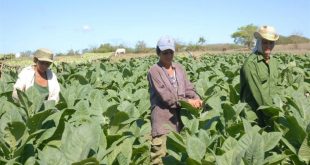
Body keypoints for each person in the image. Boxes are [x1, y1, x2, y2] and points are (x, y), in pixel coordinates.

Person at [147, 36, 202, 164]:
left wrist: (196, 99)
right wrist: (188, 102)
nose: (168, 55)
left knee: (179, 157)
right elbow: (167, 97)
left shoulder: (179, 68)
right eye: (165, 52)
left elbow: (188, 88)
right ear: (158, 53)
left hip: (181, 121)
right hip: (163, 122)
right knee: (160, 159)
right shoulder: (154, 71)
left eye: (171, 52)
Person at [240, 25, 280, 126]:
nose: (268, 46)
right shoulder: (250, 64)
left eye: (271, 43)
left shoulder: (274, 62)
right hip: (254, 115)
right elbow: (257, 92)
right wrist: (272, 113)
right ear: (258, 43)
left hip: (270, 111)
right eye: (265, 42)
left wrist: (280, 104)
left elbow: (277, 86)